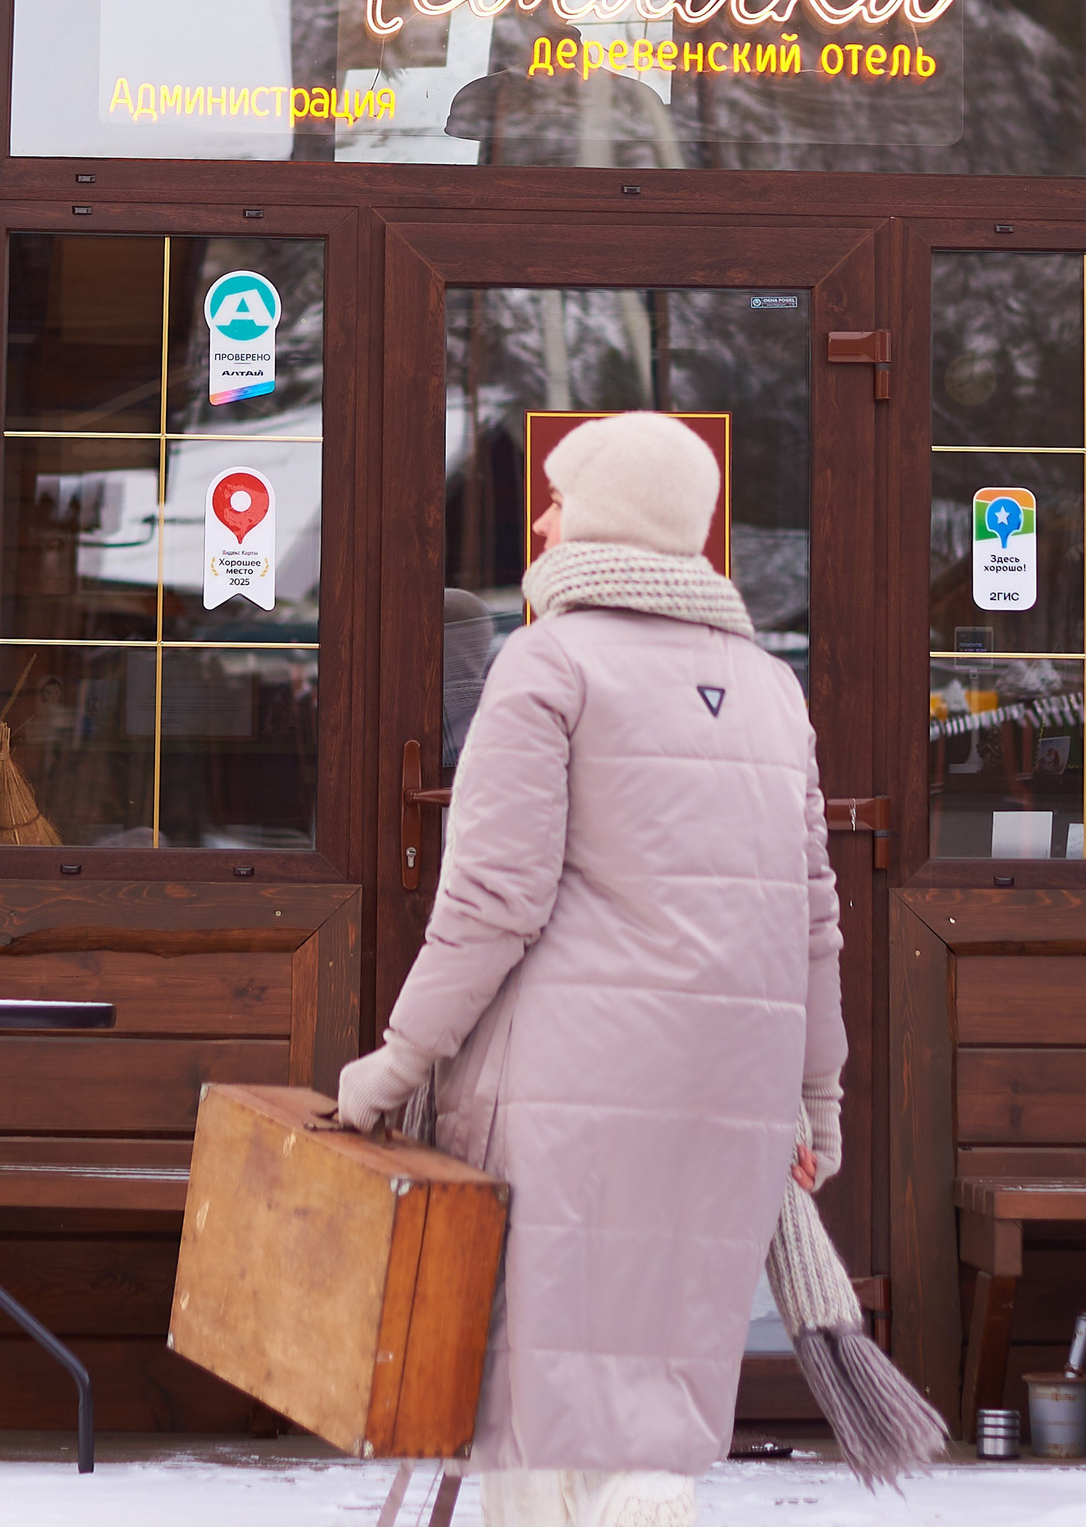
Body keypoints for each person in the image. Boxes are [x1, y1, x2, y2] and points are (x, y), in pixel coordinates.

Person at [336, 413, 845, 1527]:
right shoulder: (771, 689)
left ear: (608, 518)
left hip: (566, 1087)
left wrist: (400, 1056)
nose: (540, 515)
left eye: (560, 496)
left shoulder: (548, 660)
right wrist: (816, 1094)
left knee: (542, 1396)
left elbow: (489, 898)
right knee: (661, 1395)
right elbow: (813, 916)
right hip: (732, 1095)